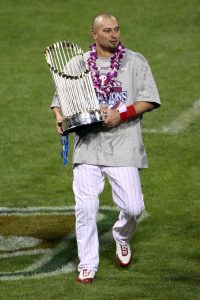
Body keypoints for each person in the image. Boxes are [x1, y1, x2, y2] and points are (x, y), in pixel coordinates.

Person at [51, 13, 161, 284]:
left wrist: (119, 114)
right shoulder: (78, 63)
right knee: (86, 208)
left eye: (117, 29)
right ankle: (87, 265)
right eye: (107, 30)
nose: (114, 35)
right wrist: (59, 118)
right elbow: (59, 100)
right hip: (88, 146)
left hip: (123, 145)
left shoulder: (134, 61)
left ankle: (122, 236)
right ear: (94, 34)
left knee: (134, 208)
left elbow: (148, 99)